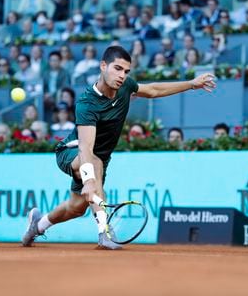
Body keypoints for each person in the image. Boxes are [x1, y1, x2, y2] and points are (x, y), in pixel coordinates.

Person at [21, 45, 216, 249]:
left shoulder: (124, 86)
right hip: (72, 151)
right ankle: (105, 233)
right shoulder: (87, 104)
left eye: (126, 71)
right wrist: (88, 179)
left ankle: (38, 224)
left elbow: (153, 89)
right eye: (117, 69)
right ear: (103, 66)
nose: (122, 75)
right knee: (94, 163)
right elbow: (86, 148)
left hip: (98, 158)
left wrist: (192, 84)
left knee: (76, 208)